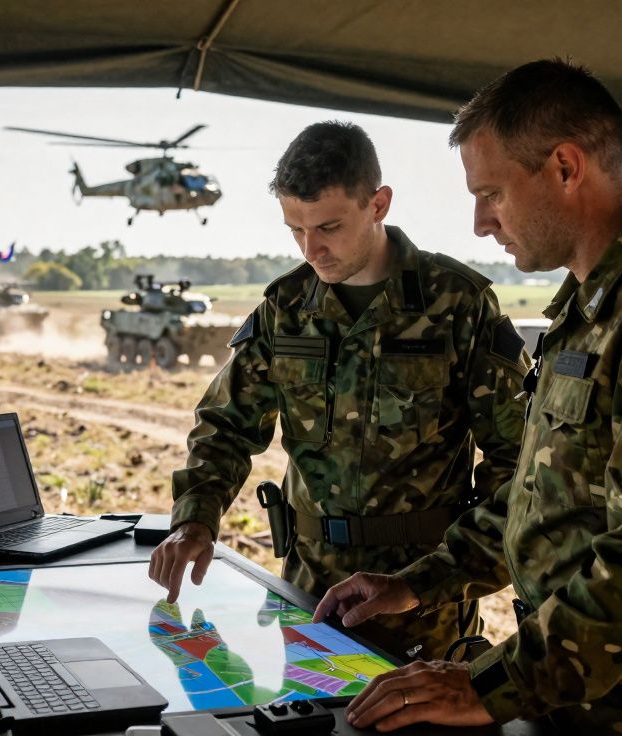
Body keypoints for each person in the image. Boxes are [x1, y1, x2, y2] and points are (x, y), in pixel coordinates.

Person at [314, 59, 622, 734]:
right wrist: (421, 581)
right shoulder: (592, 311)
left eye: (493, 194)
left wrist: (494, 684)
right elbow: (547, 496)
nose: (481, 223)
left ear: (566, 167)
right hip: (575, 695)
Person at [148, 121, 529, 661]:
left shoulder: (456, 305)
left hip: (420, 599)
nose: (312, 250)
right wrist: (195, 519)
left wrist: (448, 572)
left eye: (328, 226)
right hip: (308, 595)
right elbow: (225, 425)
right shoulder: (286, 308)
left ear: (378, 204)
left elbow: (520, 462)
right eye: (295, 230)